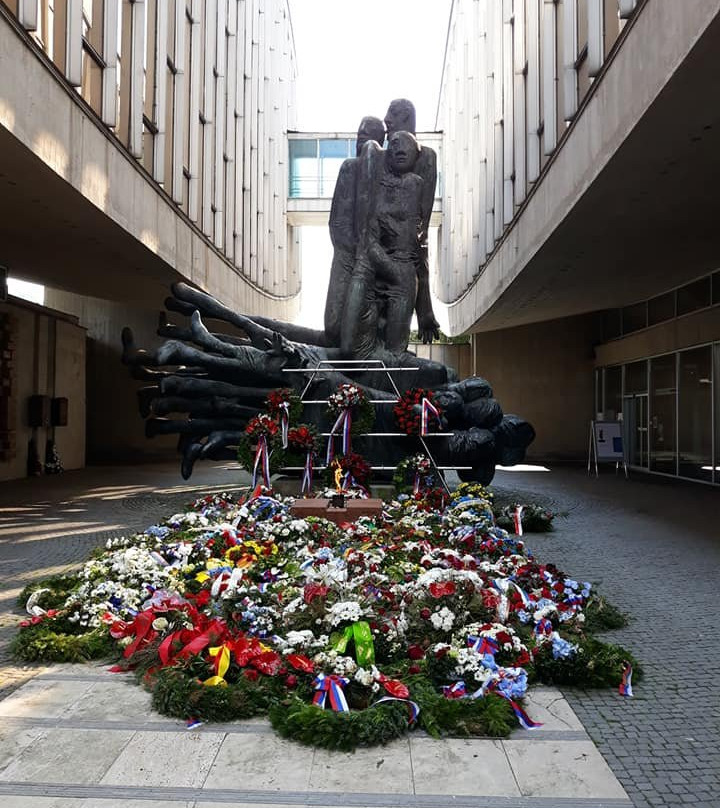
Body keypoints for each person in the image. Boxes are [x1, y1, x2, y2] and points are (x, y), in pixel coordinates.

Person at [341, 131, 424, 358]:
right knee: (347, 346)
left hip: (400, 271)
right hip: (372, 261)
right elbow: (368, 235)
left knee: (394, 354)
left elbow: (410, 239)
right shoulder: (373, 181)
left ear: (416, 155)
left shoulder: (414, 184)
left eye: (406, 145)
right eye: (394, 144)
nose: (399, 149)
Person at [324, 116, 385, 346]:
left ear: (380, 140)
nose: (360, 139)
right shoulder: (350, 167)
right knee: (333, 324)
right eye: (359, 134)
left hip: (373, 258)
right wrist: (354, 251)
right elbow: (336, 221)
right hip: (347, 254)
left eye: (366, 135)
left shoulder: (385, 173)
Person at [383, 99, 440, 344]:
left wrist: (424, 308)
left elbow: (419, 230)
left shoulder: (426, 157)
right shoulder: (380, 157)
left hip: (403, 260)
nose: (386, 120)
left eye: (392, 116)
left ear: (406, 118)